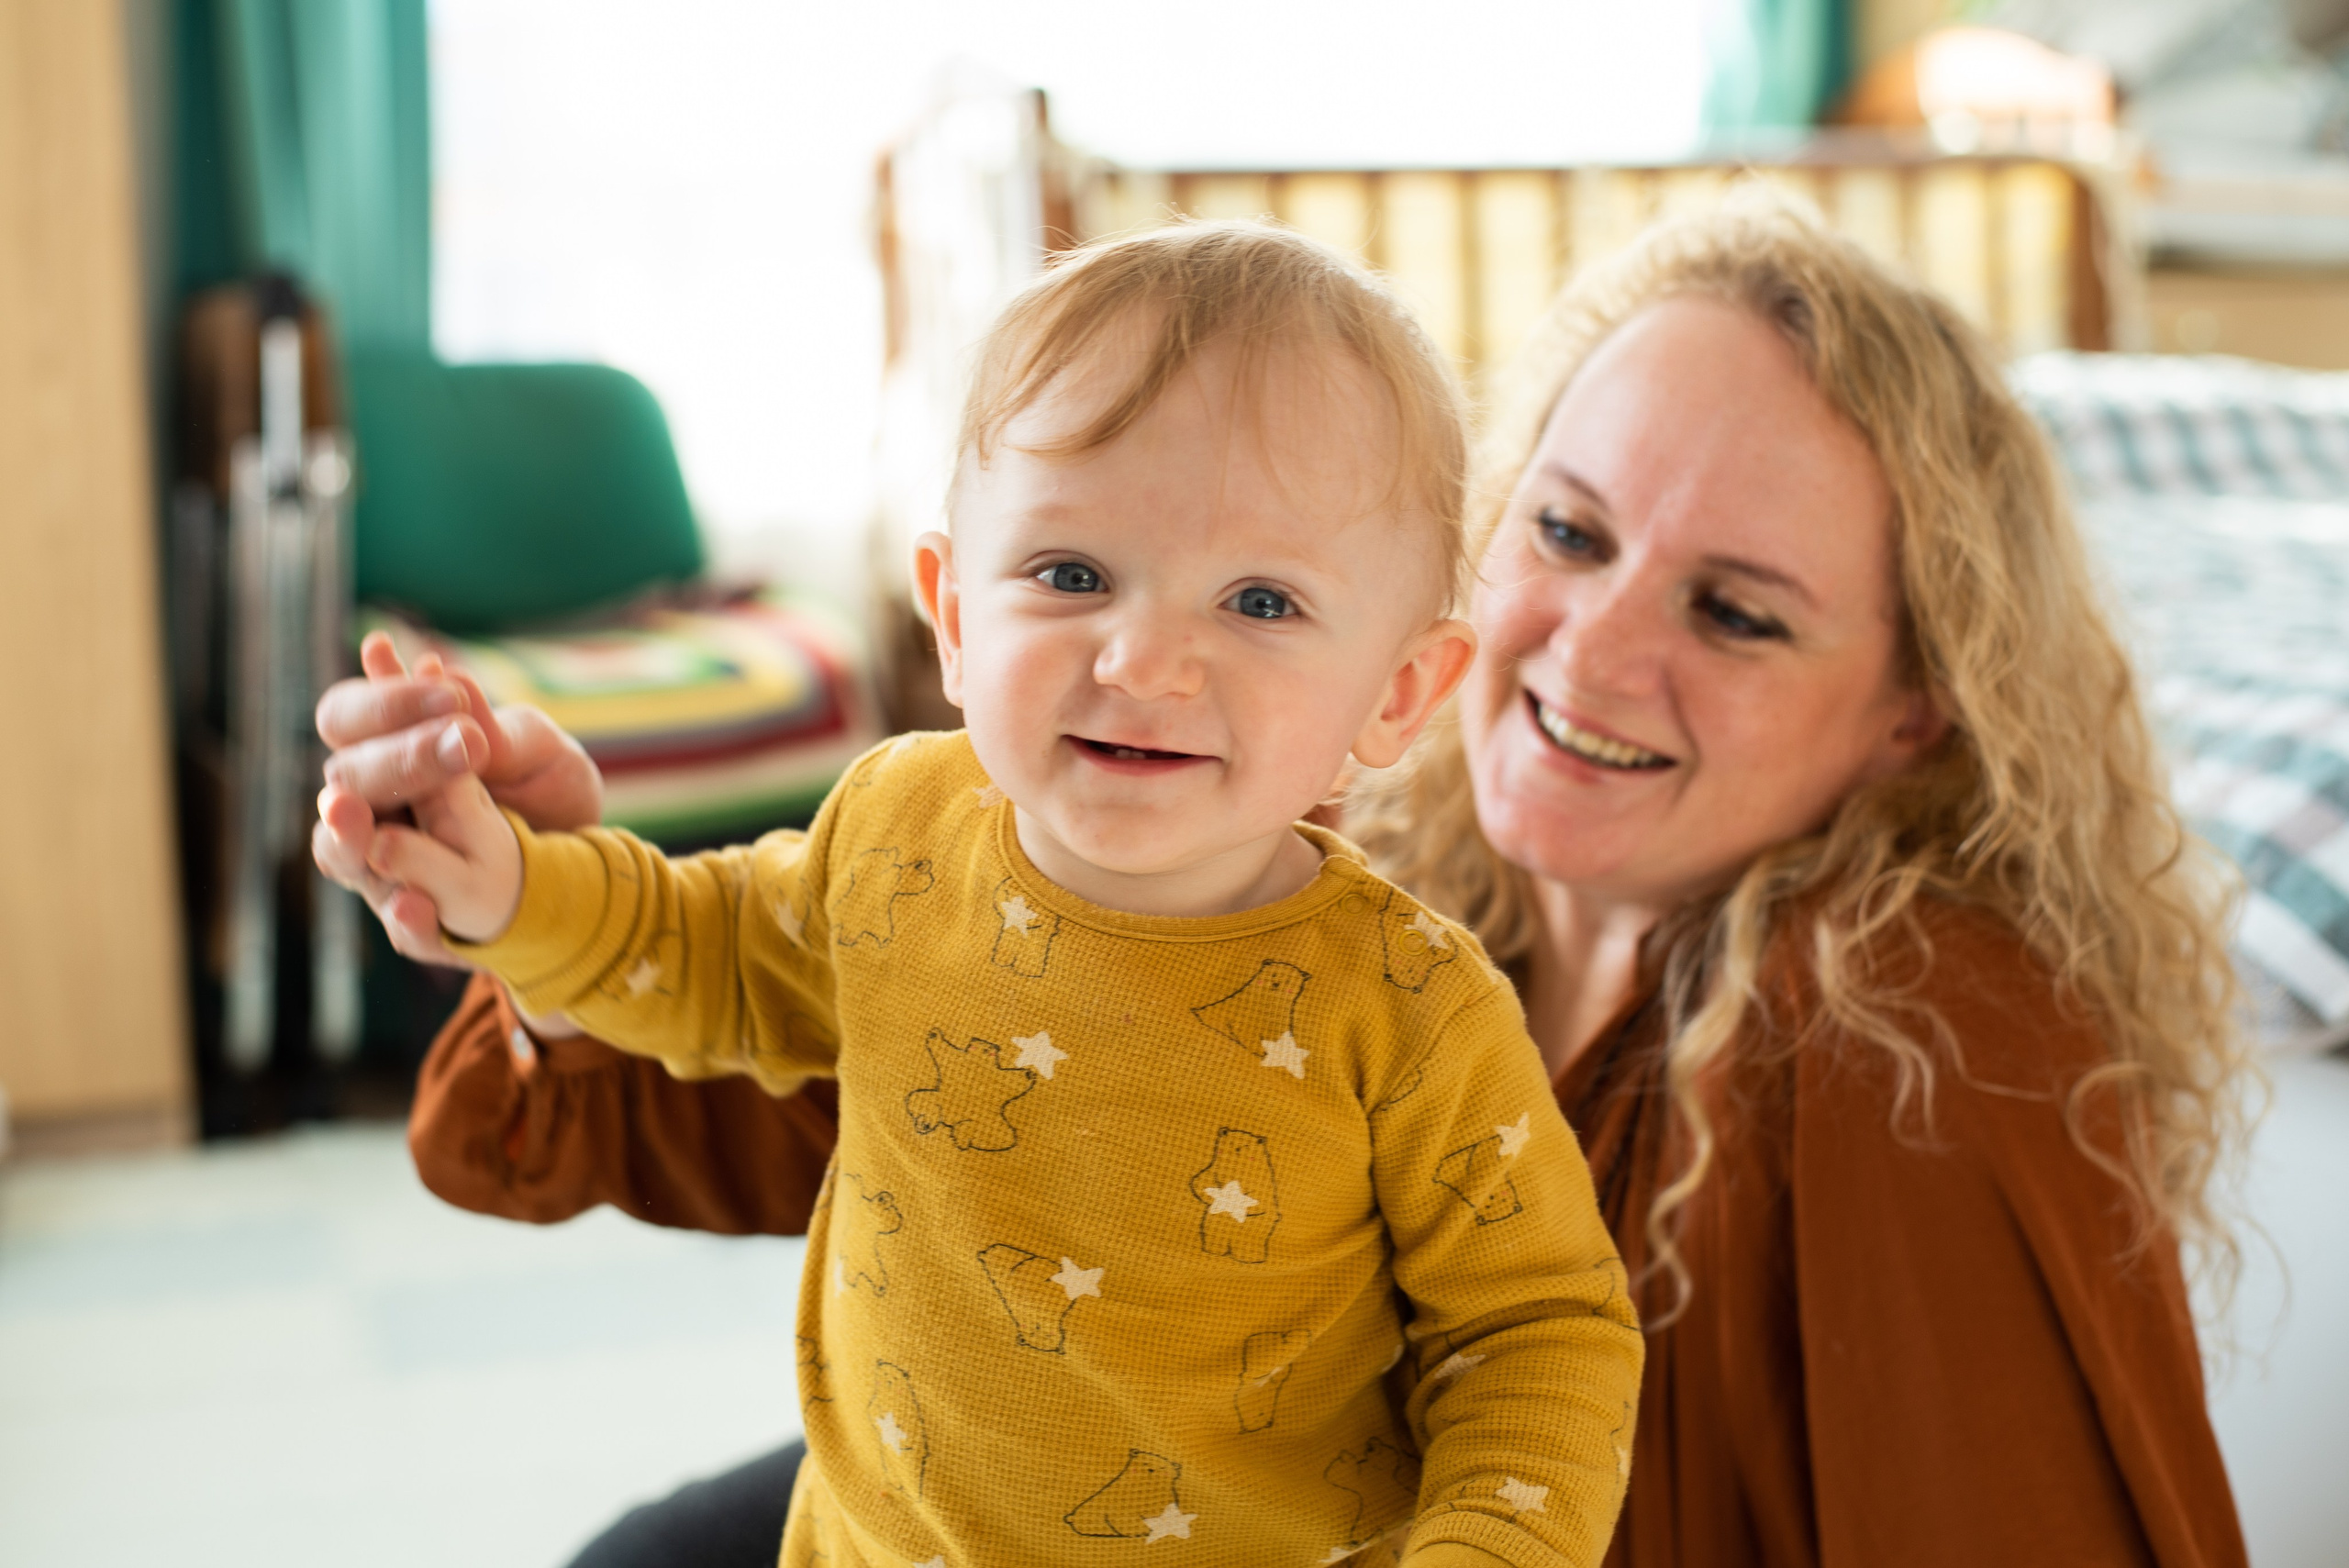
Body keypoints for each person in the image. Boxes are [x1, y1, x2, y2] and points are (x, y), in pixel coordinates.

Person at [318, 198, 2253, 1567]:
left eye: (1733, 613)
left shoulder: (1914, 1047)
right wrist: (554, 902)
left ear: (1916, 708)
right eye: (1561, 533)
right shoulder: (1313, 844)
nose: (1580, 650)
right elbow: (848, 1077)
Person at [340, 222, 1643, 1568]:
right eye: (1071, 575)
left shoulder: (1412, 1010)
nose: (1145, 661)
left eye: (1259, 601)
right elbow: (699, 949)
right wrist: (511, 882)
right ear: (954, 616)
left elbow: (1536, 1330)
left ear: (1399, 693)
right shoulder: (897, 827)